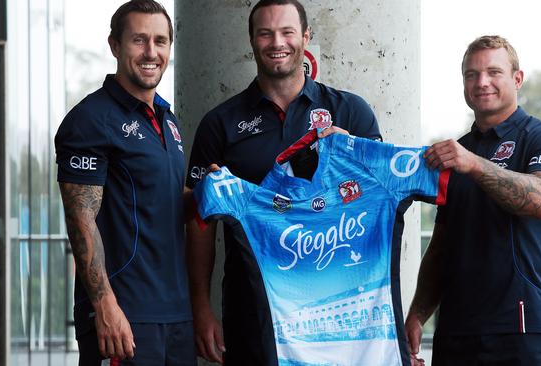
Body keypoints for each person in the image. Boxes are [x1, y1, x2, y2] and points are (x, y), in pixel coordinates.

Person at [185, 0, 382, 364]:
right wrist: (201, 307)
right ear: (252, 40)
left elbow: (378, 200)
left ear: (305, 37)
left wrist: (350, 157)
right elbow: (199, 221)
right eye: (266, 33)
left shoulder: (351, 112)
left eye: (287, 32)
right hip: (252, 311)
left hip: (337, 312)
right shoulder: (220, 123)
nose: (278, 42)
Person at [405, 35, 541, 365]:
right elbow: (441, 246)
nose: (482, 82)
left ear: (517, 79)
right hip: (457, 331)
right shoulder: (459, 150)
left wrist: (476, 165)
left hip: (524, 329)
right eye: (471, 74)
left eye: (493, 72)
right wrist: (417, 314)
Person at [54, 1, 195, 364]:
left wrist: (209, 193)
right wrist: (105, 305)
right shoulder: (90, 120)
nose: (152, 52)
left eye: (161, 41)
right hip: (124, 317)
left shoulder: (168, 119)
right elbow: (80, 219)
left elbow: (162, 202)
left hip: (175, 316)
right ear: (115, 46)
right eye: (139, 40)